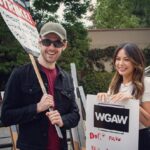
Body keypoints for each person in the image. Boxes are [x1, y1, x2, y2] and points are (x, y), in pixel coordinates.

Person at [1, 22, 80, 150]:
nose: (51, 47)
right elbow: (6, 117)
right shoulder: (20, 75)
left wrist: (62, 120)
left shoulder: (66, 78)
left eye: (57, 43)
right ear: (39, 42)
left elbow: (75, 115)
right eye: (47, 42)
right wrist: (37, 108)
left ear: (64, 45)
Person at [97, 43, 150, 150]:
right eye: (118, 59)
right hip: (118, 139)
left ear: (136, 62)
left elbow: (148, 122)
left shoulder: (146, 82)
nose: (120, 63)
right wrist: (102, 99)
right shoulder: (114, 85)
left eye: (126, 59)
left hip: (140, 140)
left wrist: (132, 102)